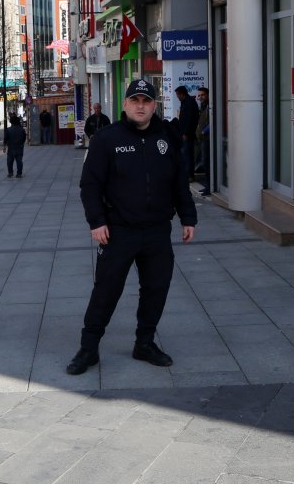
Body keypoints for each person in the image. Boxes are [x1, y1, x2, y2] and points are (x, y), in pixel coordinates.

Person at [67, 79, 198, 375]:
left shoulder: (167, 137)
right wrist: (97, 221)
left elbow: (179, 182)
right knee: (106, 291)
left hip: (157, 231)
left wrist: (188, 217)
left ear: (154, 106)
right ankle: (88, 349)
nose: (141, 106)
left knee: (156, 288)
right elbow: (90, 185)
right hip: (118, 231)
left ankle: (145, 343)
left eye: (146, 101)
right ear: (125, 104)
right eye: (135, 100)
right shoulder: (106, 138)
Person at [175, 86, 200, 184]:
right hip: (184, 133)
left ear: (182, 94)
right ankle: (187, 174)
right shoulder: (185, 102)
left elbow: (190, 120)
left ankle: (190, 175)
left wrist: (186, 133)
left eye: (177, 95)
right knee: (185, 155)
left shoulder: (190, 102)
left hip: (188, 134)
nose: (177, 97)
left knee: (188, 155)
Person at [196, 87, 212, 195]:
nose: (200, 97)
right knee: (204, 163)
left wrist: (203, 131)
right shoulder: (203, 107)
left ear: (208, 95)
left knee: (207, 163)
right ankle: (207, 186)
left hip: (208, 139)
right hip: (203, 139)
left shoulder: (209, 107)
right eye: (199, 95)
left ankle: (210, 187)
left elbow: (213, 122)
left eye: (202, 95)